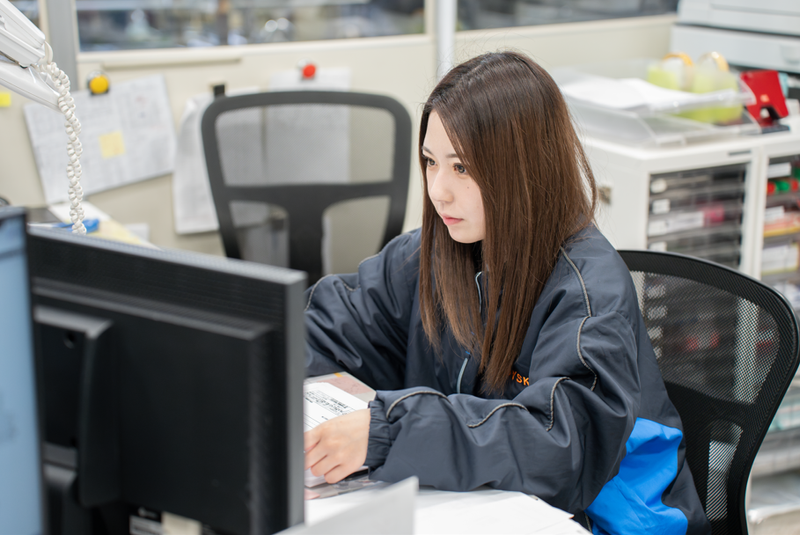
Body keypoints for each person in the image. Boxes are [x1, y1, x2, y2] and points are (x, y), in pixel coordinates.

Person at [303, 51, 710, 534]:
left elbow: (559, 446)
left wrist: (391, 431)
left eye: (462, 168)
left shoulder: (587, 292)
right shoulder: (432, 253)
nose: (438, 190)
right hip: (490, 506)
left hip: (609, 519)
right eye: (431, 162)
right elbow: (329, 330)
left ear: (523, 171)